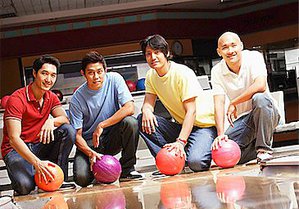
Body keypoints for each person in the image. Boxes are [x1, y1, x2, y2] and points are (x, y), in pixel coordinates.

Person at [138, 34, 216, 173]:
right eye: (148, 54)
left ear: (166, 53)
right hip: (181, 126)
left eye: (157, 52)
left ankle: (194, 148)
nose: (153, 57)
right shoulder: (151, 75)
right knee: (141, 119)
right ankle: (169, 160)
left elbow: (191, 111)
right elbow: (148, 103)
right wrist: (147, 111)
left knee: (196, 163)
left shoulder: (181, 73)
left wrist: (180, 142)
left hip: (203, 126)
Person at [1, 55, 76, 195]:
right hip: (16, 150)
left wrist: (51, 121)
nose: (49, 79)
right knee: (25, 188)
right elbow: (13, 139)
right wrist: (37, 163)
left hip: (38, 144)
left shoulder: (51, 97)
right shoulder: (16, 99)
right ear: (34, 73)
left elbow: (65, 119)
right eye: (44, 73)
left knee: (67, 131)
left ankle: (58, 178)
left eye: (53, 75)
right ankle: (30, 175)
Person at [69, 51, 143, 186]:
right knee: (81, 179)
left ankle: (127, 170)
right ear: (83, 73)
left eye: (99, 71)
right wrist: (90, 153)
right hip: (89, 145)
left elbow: (129, 108)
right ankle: (97, 171)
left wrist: (102, 125)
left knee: (131, 122)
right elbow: (77, 136)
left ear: (105, 70)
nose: (96, 76)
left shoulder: (114, 79)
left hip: (111, 138)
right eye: (91, 73)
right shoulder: (77, 99)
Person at [211, 31, 280, 163]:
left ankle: (263, 149)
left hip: (267, 112)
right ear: (219, 52)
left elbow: (261, 85)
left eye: (233, 45)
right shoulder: (217, 71)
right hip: (244, 120)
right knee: (227, 154)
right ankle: (255, 151)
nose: (230, 50)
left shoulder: (254, 57)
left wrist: (234, 103)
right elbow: (218, 103)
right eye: (225, 47)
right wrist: (220, 135)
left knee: (259, 98)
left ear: (241, 46)